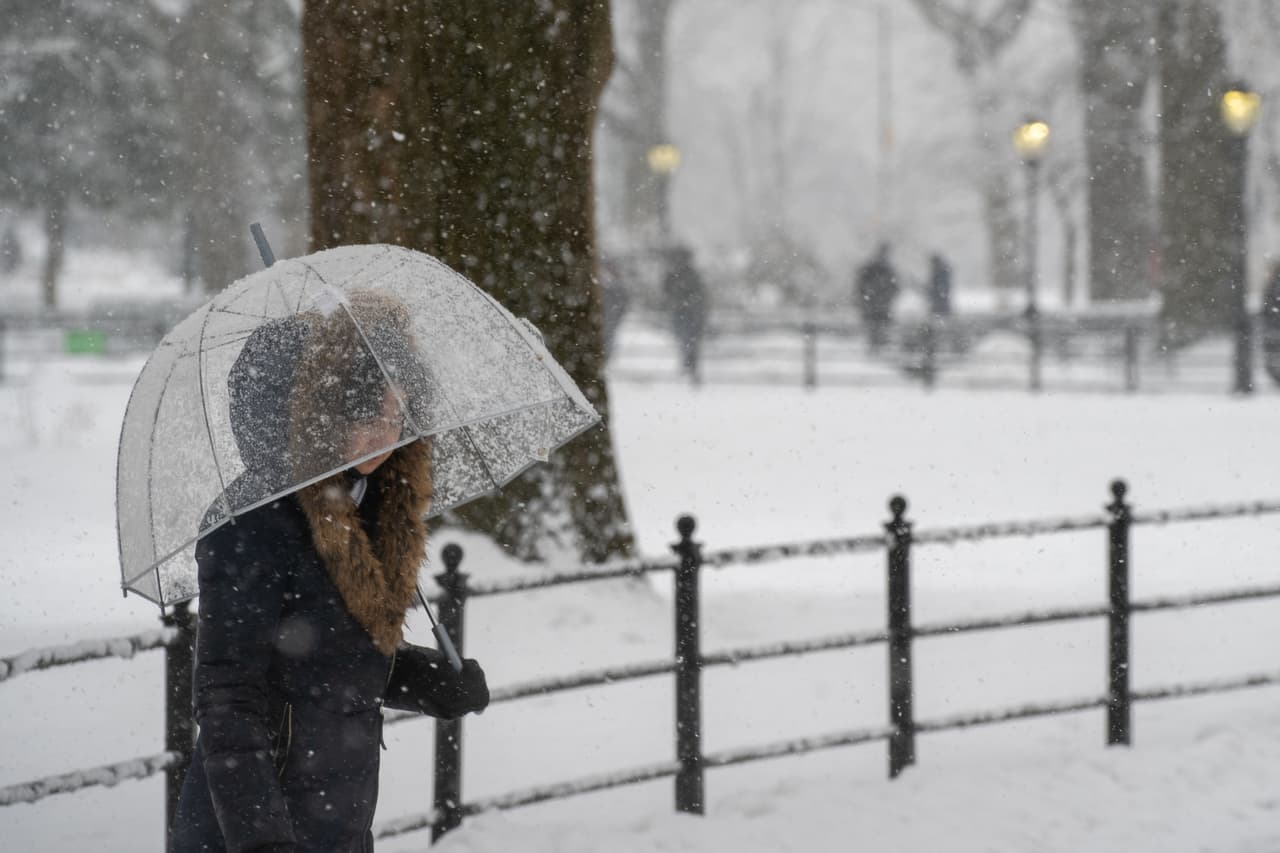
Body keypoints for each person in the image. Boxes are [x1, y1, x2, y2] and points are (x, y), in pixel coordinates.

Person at [171, 292, 490, 853]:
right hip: (254, 828)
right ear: (317, 416)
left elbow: (329, 662)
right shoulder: (250, 524)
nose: (384, 436)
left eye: (397, 416)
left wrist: (430, 683)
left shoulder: (366, 504)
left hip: (339, 818)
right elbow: (229, 699)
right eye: (367, 416)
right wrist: (263, 839)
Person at [662, 245, 707, 385]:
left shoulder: (690, 275)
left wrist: (686, 302)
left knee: (689, 341)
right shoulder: (675, 274)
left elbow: (698, 294)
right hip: (682, 313)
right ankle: (688, 366)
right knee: (685, 340)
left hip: (690, 313)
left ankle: (690, 367)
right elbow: (666, 291)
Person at [854, 242, 900, 353]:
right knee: (878, 327)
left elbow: (861, 285)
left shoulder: (877, 268)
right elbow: (895, 287)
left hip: (876, 305)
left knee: (877, 327)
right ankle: (876, 347)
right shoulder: (881, 269)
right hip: (877, 305)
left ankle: (876, 347)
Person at [927, 252, 953, 319]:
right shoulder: (942, 272)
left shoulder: (940, 273)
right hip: (940, 303)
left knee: (940, 318)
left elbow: (940, 289)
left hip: (939, 304)